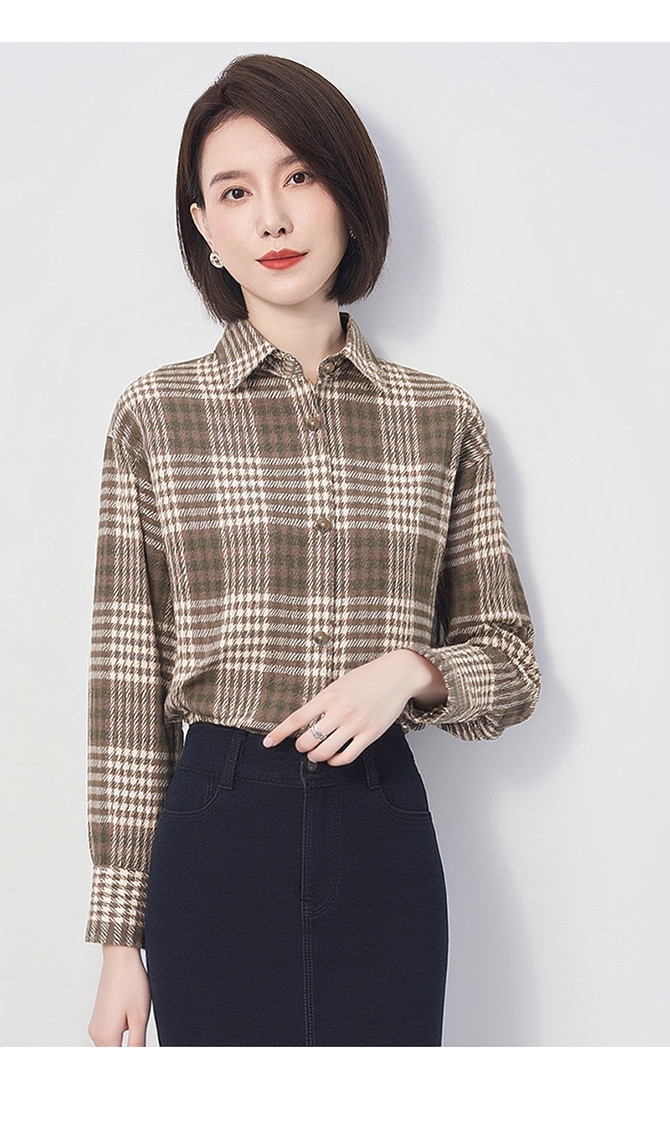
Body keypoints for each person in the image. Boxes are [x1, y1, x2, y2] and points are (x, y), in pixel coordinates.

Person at [85, 53, 541, 1047]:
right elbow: (126, 684)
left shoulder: (441, 419)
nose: (273, 219)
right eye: (234, 192)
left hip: (382, 822)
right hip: (215, 826)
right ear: (205, 229)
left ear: (348, 192)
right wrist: (121, 939)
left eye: (299, 176)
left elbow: (511, 663)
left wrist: (410, 671)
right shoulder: (156, 415)